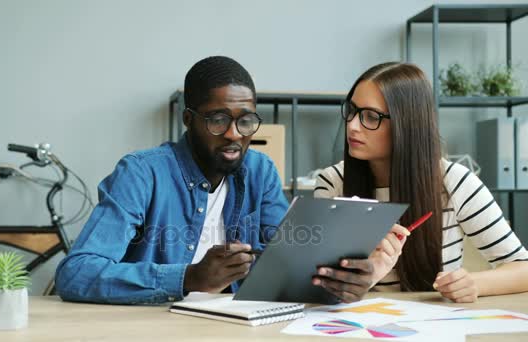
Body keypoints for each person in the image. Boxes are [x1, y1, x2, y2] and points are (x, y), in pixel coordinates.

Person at [55, 56, 393, 304]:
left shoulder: (260, 171)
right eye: (218, 120)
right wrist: (189, 277)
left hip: (231, 327)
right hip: (153, 326)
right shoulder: (142, 173)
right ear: (189, 119)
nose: (234, 134)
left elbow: (287, 263)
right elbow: (76, 273)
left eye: (245, 121)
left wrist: (342, 282)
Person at [314, 62, 528, 303]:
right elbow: (318, 285)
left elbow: (522, 268)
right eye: (351, 110)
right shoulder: (333, 183)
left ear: (408, 124)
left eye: (371, 117)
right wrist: (367, 276)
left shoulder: (455, 182)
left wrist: (474, 283)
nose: (352, 125)